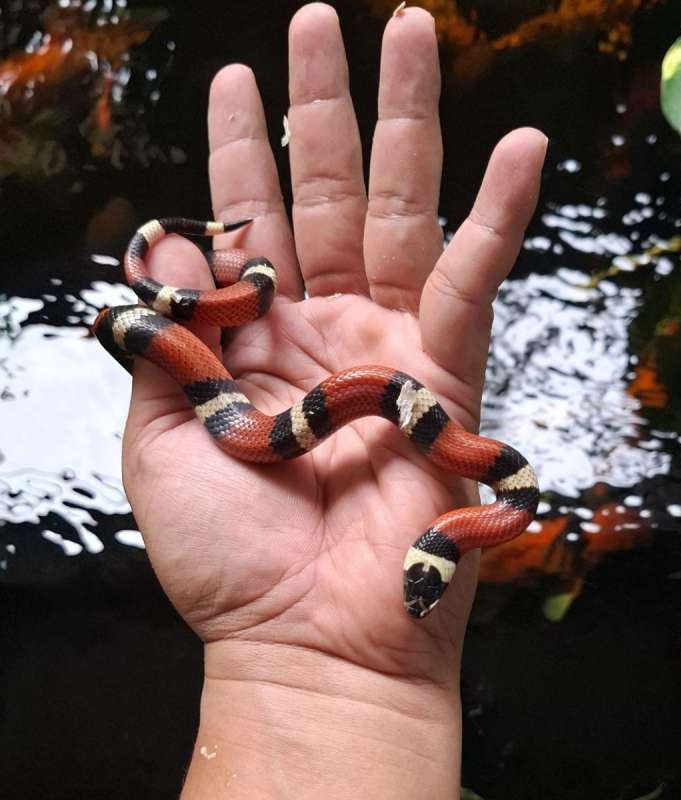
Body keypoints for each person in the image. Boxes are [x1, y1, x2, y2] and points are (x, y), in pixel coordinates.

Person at [122, 3, 546, 797]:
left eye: (418, 575)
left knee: (196, 304)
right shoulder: (494, 491)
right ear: (439, 551)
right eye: (423, 577)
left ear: (436, 544)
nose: (414, 596)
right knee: (223, 296)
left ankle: (178, 286)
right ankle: (196, 285)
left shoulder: (487, 502)